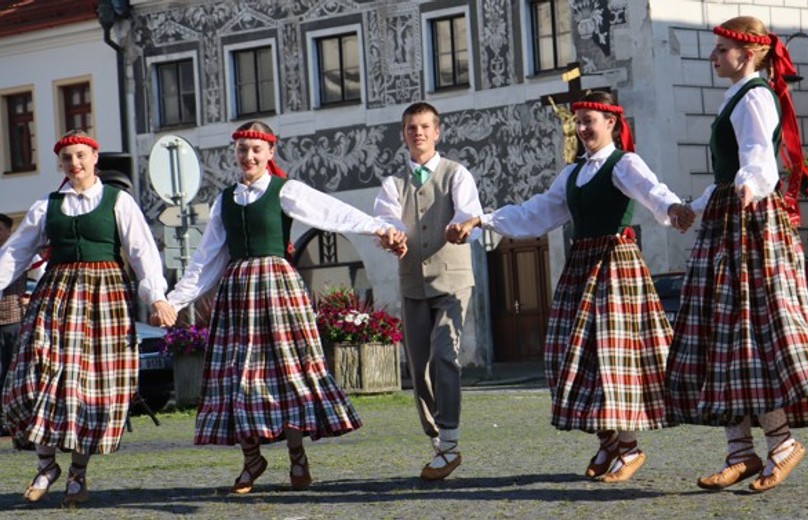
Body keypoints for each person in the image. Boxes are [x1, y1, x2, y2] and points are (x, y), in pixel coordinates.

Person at [447, 91, 693, 482]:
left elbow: (652, 190)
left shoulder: (623, 163)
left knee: (614, 356)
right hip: (581, 266)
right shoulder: (573, 174)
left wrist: (674, 208)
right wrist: (482, 220)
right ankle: (609, 441)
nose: (581, 129)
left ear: (610, 122)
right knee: (575, 355)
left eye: (588, 121)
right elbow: (537, 213)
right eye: (577, 122)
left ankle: (628, 447)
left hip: (614, 264)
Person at [154, 121, 404, 494]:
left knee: (289, 373)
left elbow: (332, 212)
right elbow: (206, 260)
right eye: (242, 150)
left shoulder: (284, 190)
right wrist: (172, 300)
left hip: (277, 289)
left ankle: (297, 455)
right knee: (238, 377)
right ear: (235, 154)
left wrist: (377, 228)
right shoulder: (225, 200)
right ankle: (251, 457)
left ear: (270, 152)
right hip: (238, 295)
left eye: (256, 149)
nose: (249, 156)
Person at [664, 16, 808, 493]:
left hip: (748, 222)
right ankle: (741, 451)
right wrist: (692, 208)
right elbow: (728, 172)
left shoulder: (755, 96)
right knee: (722, 336)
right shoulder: (735, 98)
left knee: (749, 333)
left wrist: (749, 185)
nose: (714, 56)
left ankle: (781, 444)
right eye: (715, 49)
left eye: (722, 49)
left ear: (750, 53)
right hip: (727, 217)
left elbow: (759, 158)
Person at [0, 130, 175, 506]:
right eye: (67, 158)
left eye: (81, 156)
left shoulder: (118, 201)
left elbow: (143, 252)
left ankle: (78, 473)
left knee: (89, 389)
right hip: (56, 296)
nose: (75, 164)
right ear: (61, 165)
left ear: (94, 159)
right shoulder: (46, 206)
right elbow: (13, 256)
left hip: (104, 299)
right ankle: (47, 464)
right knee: (33, 375)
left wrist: (157, 297)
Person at [373, 101, 484, 481]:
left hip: (452, 279)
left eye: (424, 127)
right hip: (412, 283)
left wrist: (459, 226)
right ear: (403, 135)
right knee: (418, 367)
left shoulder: (456, 174)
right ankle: (437, 441)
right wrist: (392, 237)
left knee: (443, 354)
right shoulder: (393, 183)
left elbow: (466, 211)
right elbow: (386, 219)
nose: (417, 133)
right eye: (410, 128)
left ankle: (450, 440)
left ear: (437, 132)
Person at [0, 213, 28, 438]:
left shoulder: (17, 253)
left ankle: (14, 417)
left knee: (13, 370)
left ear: (9, 231)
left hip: (13, 319)